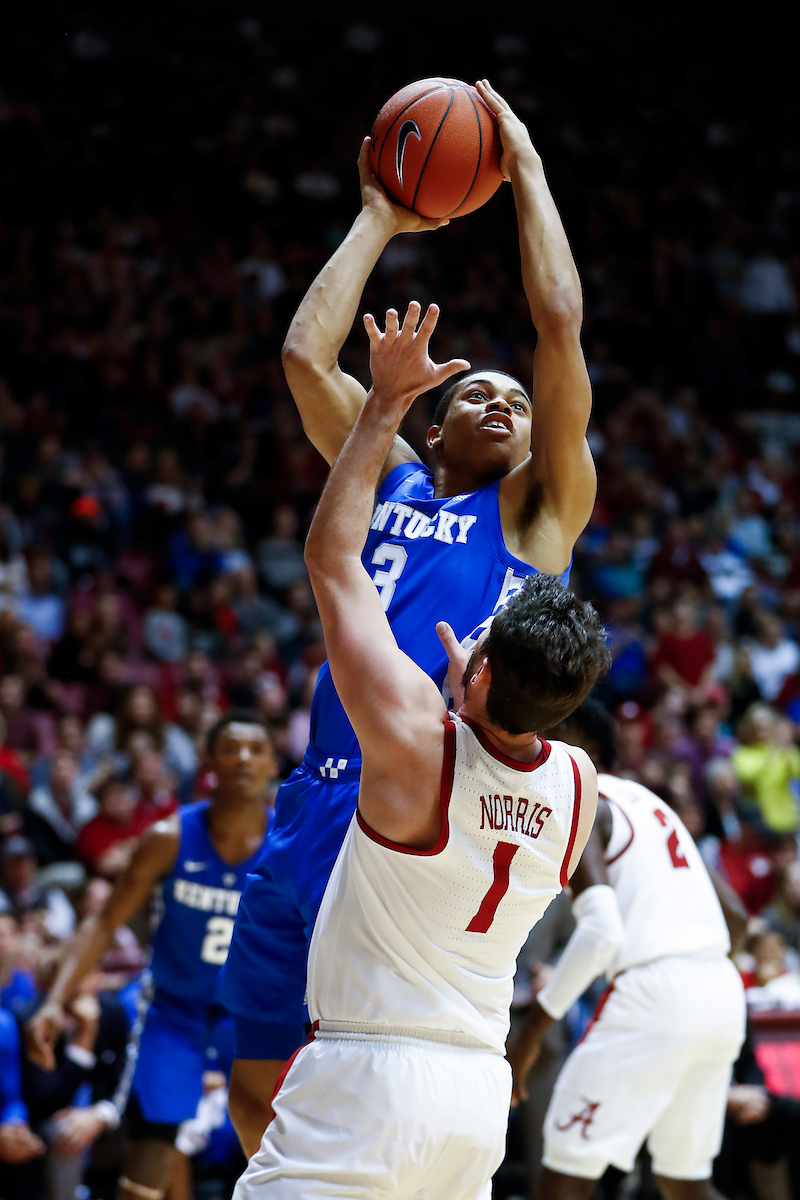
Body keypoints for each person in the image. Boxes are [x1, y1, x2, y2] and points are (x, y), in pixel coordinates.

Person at [221, 78, 599, 1154]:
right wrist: (379, 216)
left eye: (515, 403)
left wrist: (522, 169)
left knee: (368, 1062)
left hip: (404, 806)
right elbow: (304, 358)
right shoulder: (385, 473)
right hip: (309, 797)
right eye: (476, 389)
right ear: (431, 424)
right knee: (254, 1083)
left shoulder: (533, 517)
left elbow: (559, 325)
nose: (500, 399)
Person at [24, 711, 276, 1200]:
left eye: (255, 749)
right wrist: (56, 999)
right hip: (173, 1007)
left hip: (251, 1012)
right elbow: (103, 922)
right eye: (231, 748)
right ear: (209, 763)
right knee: (153, 1146)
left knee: (272, 1139)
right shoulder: (169, 838)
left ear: (272, 764)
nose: (243, 758)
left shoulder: (286, 841)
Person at [507, 698, 748, 1200]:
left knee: (565, 1172)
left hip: (655, 994)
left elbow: (601, 933)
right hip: (720, 993)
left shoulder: (584, 799)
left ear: (587, 747)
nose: (535, 745)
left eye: (550, 733)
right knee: (687, 1181)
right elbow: (738, 920)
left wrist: (529, 1035)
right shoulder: (653, 803)